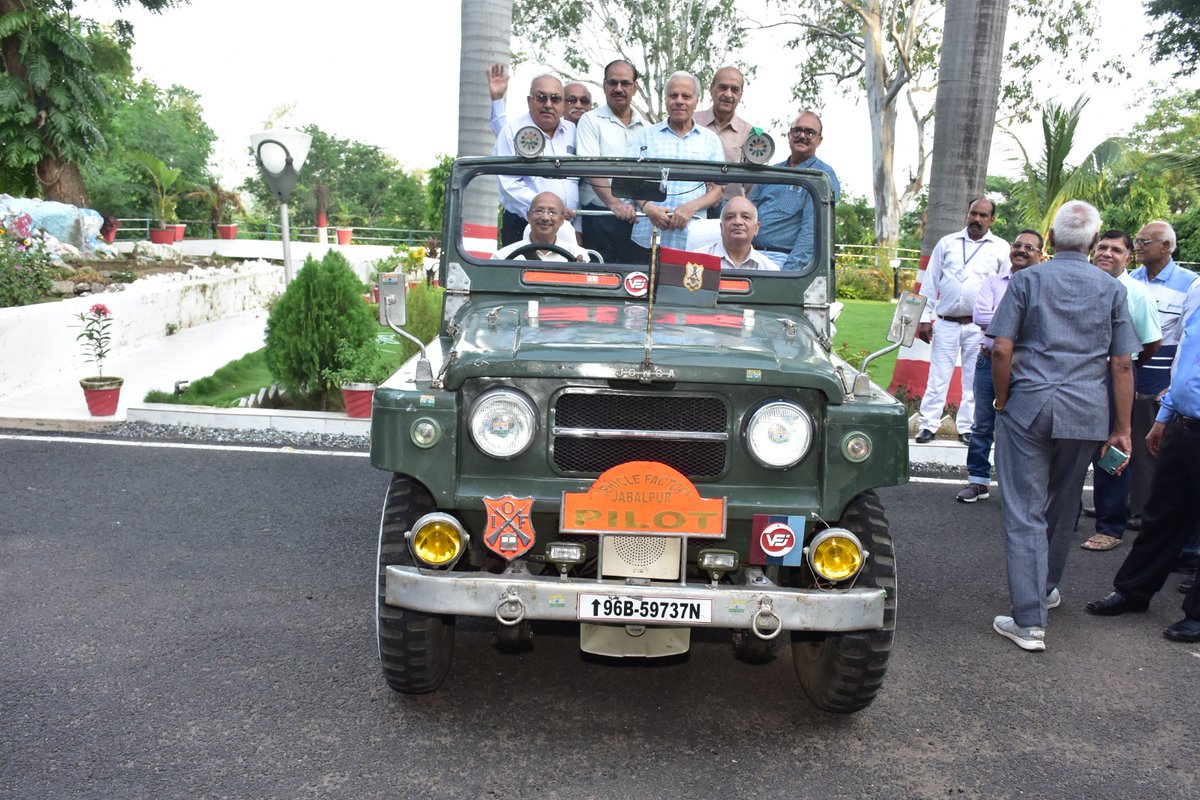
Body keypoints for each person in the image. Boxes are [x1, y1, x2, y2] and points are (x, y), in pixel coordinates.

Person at [988, 200, 1139, 652]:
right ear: (1093, 243)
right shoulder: (1112, 288)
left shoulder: (1028, 279)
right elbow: (1122, 363)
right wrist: (1123, 427)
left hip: (1029, 403)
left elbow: (1001, 348)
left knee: (1025, 512)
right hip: (1086, 409)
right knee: (1063, 506)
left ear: (1050, 239)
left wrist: (1002, 399)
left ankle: (1029, 619)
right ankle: (1046, 589)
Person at [1085, 302, 1200, 643]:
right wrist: (1164, 418)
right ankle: (1133, 591)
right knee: (1163, 514)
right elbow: (1184, 367)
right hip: (1184, 425)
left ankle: (1197, 614)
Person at [1080, 230, 1163, 551]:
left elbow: (1151, 342)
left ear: (1128, 258)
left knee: (1113, 448)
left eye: (1116, 250)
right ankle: (1066, 517)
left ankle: (1111, 526)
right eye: (1102, 247)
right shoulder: (1084, 284)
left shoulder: (1136, 293)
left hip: (1117, 378)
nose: (1107, 253)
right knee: (1072, 448)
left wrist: (1125, 367)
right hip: (1080, 377)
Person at [955, 229, 1043, 503]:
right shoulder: (993, 282)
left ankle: (1015, 488)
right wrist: (1020, 320)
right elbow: (981, 316)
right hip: (988, 362)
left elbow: (1040, 322)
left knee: (1021, 428)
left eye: (1029, 247)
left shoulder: (1042, 286)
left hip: (1025, 366)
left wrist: (1003, 319)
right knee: (983, 424)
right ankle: (978, 481)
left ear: (1040, 255)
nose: (1021, 250)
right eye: (1018, 245)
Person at [914, 198, 1010, 445]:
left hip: (980, 328)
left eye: (983, 215)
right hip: (946, 322)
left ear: (992, 220)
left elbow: (1005, 287)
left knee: (973, 380)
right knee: (937, 377)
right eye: (973, 213)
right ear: (967, 215)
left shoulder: (1001, 248)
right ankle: (928, 425)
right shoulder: (947, 243)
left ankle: (967, 427)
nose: (977, 219)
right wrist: (924, 317)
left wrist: (999, 327)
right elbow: (930, 281)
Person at [1124, 221, 1200, 529]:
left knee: (1152, 447)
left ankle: (1145, 510)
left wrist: (1172, 385)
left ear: (1166, 246)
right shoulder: (1131, 279)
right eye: (1137, 241)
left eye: (1145, 242)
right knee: (1124, 440)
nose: (1138, 246)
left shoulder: (1189, 284)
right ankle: (1121, 503)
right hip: (1128, 372)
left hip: (1161, 380)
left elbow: (1186, 341)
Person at [628, 71, 724, 260]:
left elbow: (718, 190)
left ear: (696, 101)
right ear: (666, 100)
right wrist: (648, 207)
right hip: (647, 236)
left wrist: (691, 208)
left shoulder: (710, 140)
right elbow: (631, 179)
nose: (679, 101)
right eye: (673, 95)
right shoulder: (646, 136)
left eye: (686, 96)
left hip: (693, 240)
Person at [575, 59, 648, 263]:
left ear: (635, 88)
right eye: (613, 82)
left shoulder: (647, 127)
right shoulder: (590, 120)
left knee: (635, 278)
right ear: (604, 85)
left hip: (637, 219)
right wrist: (614, 204)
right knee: (600, 278)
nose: (618, 89)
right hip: (600, 217)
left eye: (625, 83)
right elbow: (591, 167)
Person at [492, 74, 579, 246]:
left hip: (568, 225)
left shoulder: (573, 131)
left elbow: (579, 182)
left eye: (555, 99)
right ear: (529, 101)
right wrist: (548, 209)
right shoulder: (512, 131)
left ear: (563, 104)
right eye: (541, 97)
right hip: (523, 222)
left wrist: (576, 225)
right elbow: (508, 183)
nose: (548, 104)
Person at [748, 111, 839, 271]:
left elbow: (811, 233)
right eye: (797, 130)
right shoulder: (770, 172)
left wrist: (788, 274)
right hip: (749, 255)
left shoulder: (822, 176)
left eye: (810, 132)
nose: (802, 135)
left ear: (819, 140)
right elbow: (748, 211)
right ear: (789, 135)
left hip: (783, 260)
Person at [693, 66, 753, 203]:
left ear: (741, 94)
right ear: (711, 88)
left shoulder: (749, 133)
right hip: (691, 206)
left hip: (731, 209)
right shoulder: (692, 122)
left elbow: (751, 183)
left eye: (734, 89)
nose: (728, 94)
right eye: (723, 87)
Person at [491, 192, 588, 262]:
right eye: (539, 211)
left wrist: (580, 270)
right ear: (528, 216)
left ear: (562, 220)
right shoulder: (503, 257)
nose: (545, 217)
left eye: (552, 212)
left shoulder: (578, 255)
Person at [489, 65, 591, 130]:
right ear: (529, 101)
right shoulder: (517, 131)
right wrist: (497, 99)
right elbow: (506, 132)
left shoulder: (576, 134)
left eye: (584, 101)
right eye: (541, 97)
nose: (578, 105)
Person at [700, 197, 778, 271]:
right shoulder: (697, 260)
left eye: (745, 217)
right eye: (730, 217)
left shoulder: (769, 269)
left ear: (756, 228)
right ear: (721, 227)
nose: (738, 222)